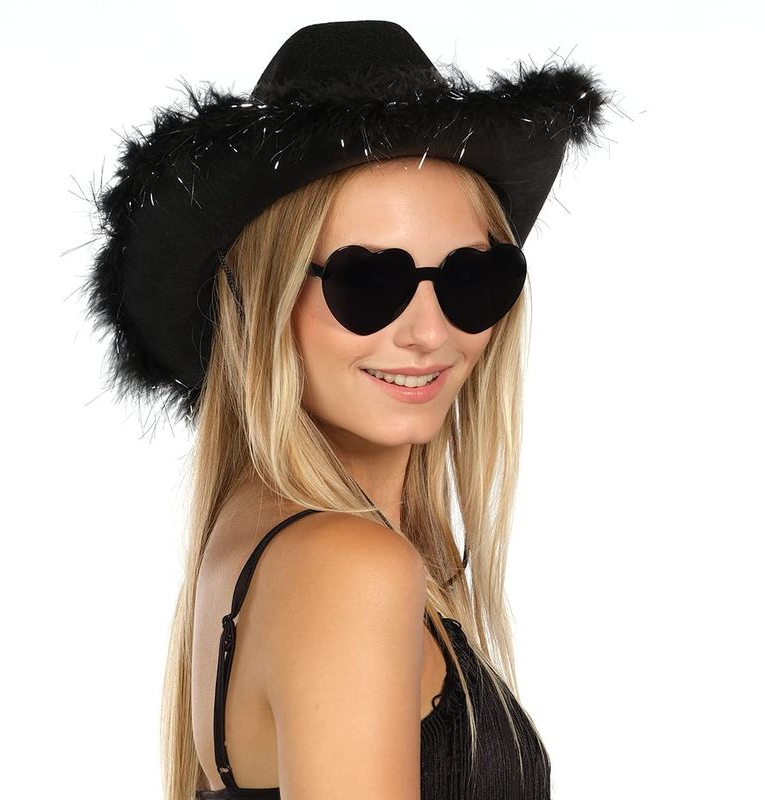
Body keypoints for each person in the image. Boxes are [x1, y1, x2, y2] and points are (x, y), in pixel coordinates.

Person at [81, 19, 613, 800]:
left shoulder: (263, 540)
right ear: (260, 302)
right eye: (367, 282)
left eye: (472, 279)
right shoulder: (349, 567)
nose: (429, 332)